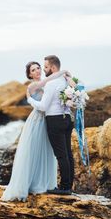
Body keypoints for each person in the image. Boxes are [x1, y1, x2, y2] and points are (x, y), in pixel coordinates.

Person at [0, 61, 68, 202]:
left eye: (38, 68)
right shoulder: (32, 86)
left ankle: (44, 183)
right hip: (37, 121)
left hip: (48, 121)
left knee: (47, 151)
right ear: (29, 74)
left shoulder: (47, 83)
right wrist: (60, 73)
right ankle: (29, 184)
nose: (37, 71)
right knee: (33, 151)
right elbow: (44, 87)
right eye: (33, 70)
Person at [27, 55, 75, 195]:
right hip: (67, 119)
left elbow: (43, 106)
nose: (43, 70)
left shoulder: (51, 83)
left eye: (45, 67)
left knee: (61, 155)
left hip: (55, 120)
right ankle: (68, 185)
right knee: (68, 154)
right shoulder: (65, 81)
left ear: (53, 68)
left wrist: (30, 100)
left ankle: (65, 187)